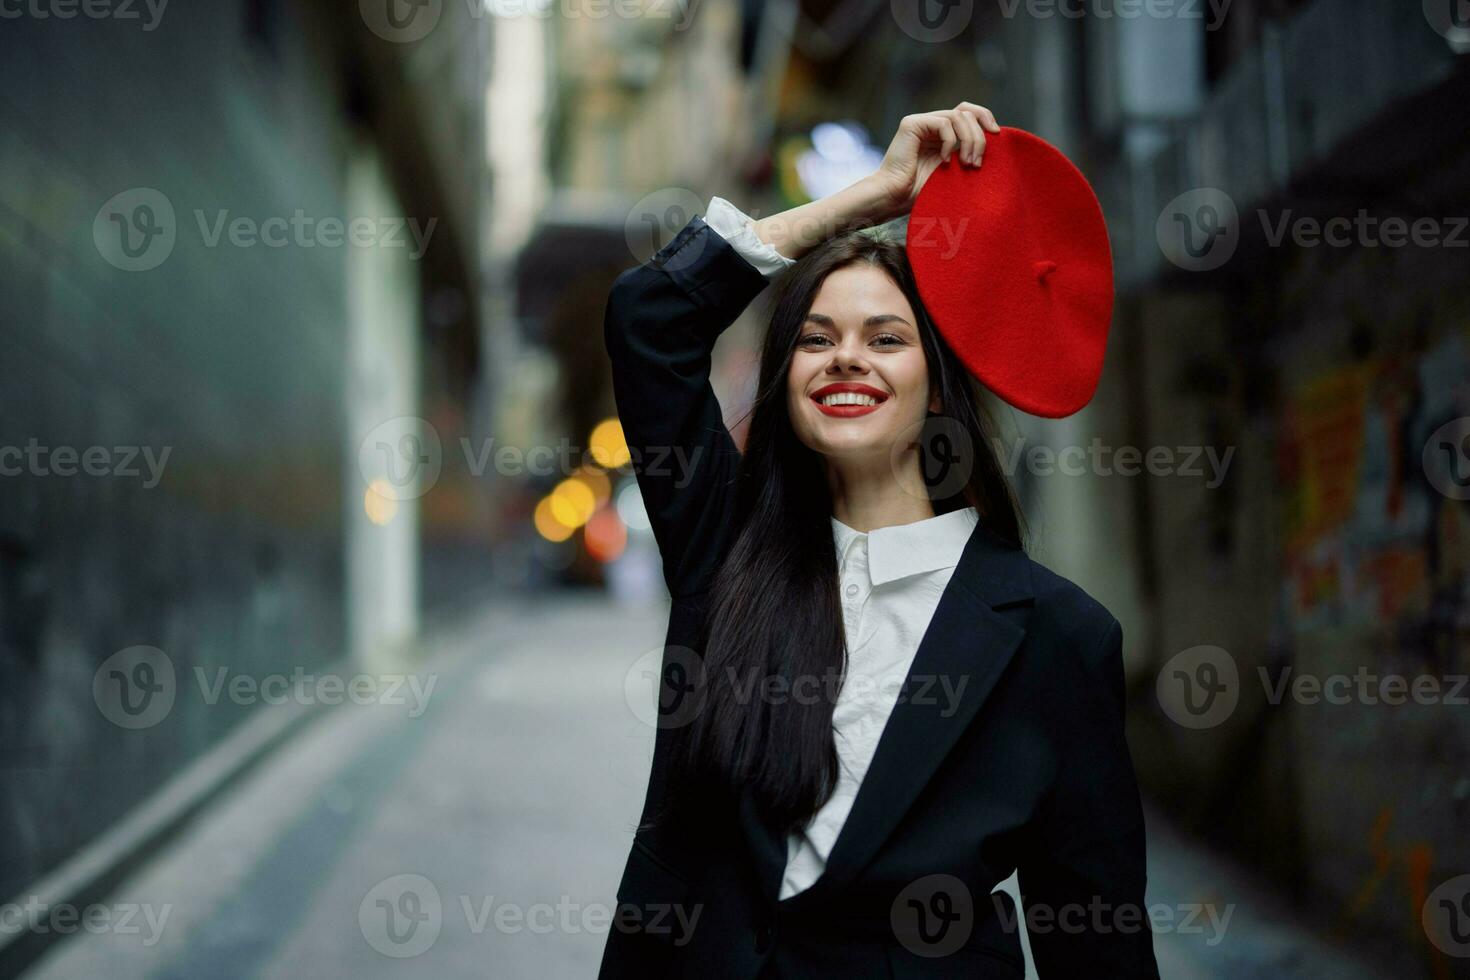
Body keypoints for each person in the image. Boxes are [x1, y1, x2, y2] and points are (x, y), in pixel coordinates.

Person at [597, 102, 1159, 979]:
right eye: (815, 340)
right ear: (787, 383)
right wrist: (868, 203)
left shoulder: (1058, 636)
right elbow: (648, 321)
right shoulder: (726, 544)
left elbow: (1098, 945)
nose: (845, 358)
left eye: (886, 339)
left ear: (938, 389)